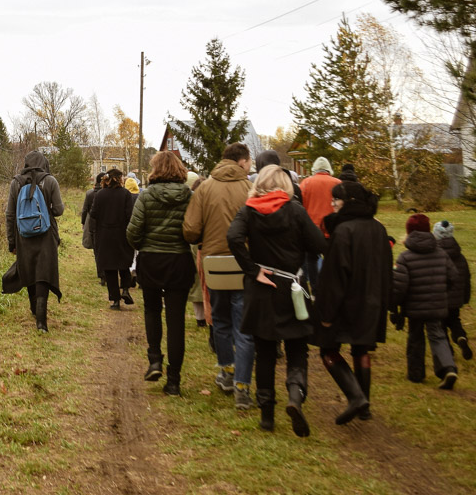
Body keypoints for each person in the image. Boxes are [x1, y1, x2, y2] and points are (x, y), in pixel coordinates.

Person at [227, 164, 328, 436]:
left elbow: (233, 238)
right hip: (291, 288)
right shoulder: (296, 211)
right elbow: (319, 245)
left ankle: (267, 415)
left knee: (265, 352)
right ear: (285, 184)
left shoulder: (249, 210)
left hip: (262, 290)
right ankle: (295, 396)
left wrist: (252, 270)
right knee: (297, 348)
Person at [312, 181, 394, 424]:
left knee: (327, 349)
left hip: (346, 304)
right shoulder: (379, 229)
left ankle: (356, 397)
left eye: (336, 199)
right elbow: (387, 270)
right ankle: (364, 406)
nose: (332, 203)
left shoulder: (343, 231)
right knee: (361, 348)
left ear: (348, 202)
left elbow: (334, 276)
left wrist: (326, 314)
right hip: (373, 302)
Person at [183, 142, 256, 410]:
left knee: (221, 320)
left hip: (213, 262)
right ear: (241, 162)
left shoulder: (205, 188)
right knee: (244, 326)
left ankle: (226, 372)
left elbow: (190, 229)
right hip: (244, 263)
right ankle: (242, 386)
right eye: (249, 162)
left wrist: (205, 238)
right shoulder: (250, 188)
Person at [126, 151, 194, 396]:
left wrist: (144, 245)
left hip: (152, 260)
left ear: (155, 169)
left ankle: (154, 359)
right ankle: (174, 380)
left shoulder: (146, 196)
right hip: (179, 260)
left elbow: (133, 232)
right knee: (176, 321)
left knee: (152, 310)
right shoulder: (189, 196)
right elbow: (194, 230)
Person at [391, 213, 461, 388]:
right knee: (438, 335)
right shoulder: (441, 254)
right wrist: (442, 292)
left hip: (414, 308)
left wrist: (394, 306)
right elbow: (453, 277)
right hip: (437, 304)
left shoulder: (405, 257)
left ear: (409, 232)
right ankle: (448, 368)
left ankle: (416, 374)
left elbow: (399, 287)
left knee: (415, 338)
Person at [2, 151, 65, 333]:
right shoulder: (50, 181)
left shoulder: (16, 182)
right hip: (46, 234)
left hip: (23, 235)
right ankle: (41, 321)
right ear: (44, 163)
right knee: (43, 272)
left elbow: (10, 214)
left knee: (29, 269)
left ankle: (33, 308)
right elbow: (59, 210)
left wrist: (11, 242)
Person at [90, 168, 136, 309]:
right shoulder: (126, 194)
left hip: (105, 235)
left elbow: (93, 213)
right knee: (124, 264)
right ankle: (126, 289)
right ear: (120, 179)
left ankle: (115, 300)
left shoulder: (100, 194)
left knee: (109, 268)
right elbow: (130, 215)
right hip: (122, 234)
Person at [433, 219, 473, 360]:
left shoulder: (434, 255)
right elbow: (467, 278)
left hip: (439, 300)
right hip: (456, 300)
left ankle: (448, 351)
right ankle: (461, 337)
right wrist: (465, 297)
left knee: (441, 326)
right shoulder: (460, 256)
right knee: (455, 321)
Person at [300, 157, 340, 232]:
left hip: (311, 228)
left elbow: (300, 205)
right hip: (333, 227)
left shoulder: (305, 183)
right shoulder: (338, 183)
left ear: (314, 169)